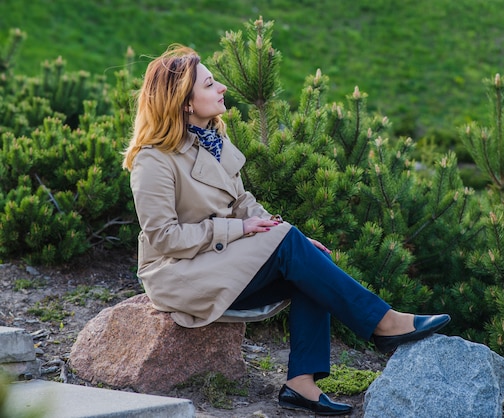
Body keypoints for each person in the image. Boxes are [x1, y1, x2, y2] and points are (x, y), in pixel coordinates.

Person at [122, 44, 450, 416]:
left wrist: (286, 237)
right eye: (211, 84)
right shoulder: (154, 159)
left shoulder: (214, 139)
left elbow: (244, 202)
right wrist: (241, 230)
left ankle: (301, 383)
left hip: (216, 262)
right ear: (185, 103)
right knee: (297, 255)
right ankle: (384, 323)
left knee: (309, 263)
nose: (223, 88)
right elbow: (164, 238)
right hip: (179, 275)